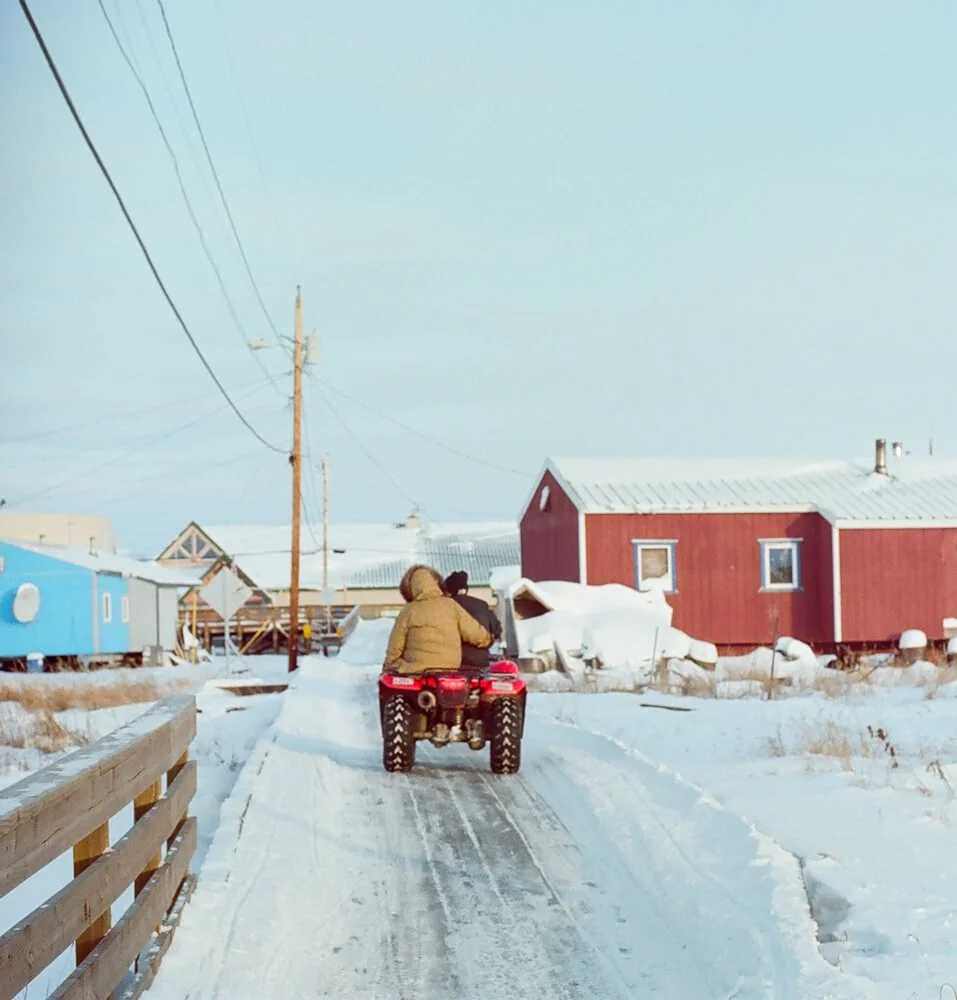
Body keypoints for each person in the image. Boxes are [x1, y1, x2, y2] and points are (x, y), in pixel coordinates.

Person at [383, 564, 493, 674]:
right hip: (449, 668)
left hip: (416, 671)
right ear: (436, 584)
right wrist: (487, 639)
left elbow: (395, 645)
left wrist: (390, 665)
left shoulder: (408, 611)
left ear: (411, 589)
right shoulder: (450, 605)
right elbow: (473, 632)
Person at [443, 570, 503, 670]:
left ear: (448, 591)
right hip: (478, 662)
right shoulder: (482, 605)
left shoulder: (442, 607)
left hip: (448, 661)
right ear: (466, 589)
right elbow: (497, 631)